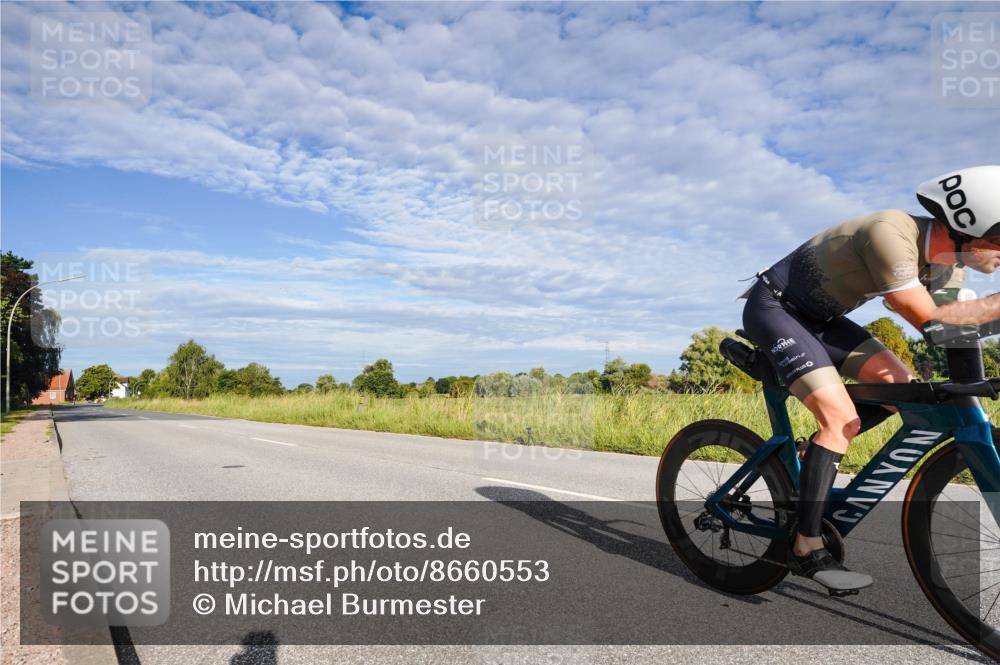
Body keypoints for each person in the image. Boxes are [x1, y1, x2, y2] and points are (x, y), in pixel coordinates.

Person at [741, 165, 1000, 592]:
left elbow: (956, 334)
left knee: (899, 387)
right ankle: (805, 546)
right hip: (776, 310)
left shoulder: (948, 267)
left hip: (822, 320)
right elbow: (934, 324)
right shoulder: (891, 233)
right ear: (971, 226)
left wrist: (973, 388)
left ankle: (810, 455)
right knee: (841, 418)